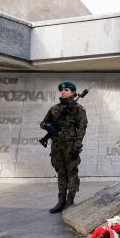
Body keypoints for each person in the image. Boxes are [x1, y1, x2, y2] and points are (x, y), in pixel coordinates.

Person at [40, 81, 88, 213]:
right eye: (62, 90)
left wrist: (77, 147)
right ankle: (61, 200)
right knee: (61, 172)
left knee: (71, 172)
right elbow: (43, 123)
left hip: (70, 146)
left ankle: (70, 200)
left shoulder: (78, 109)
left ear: (73, 92)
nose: (63, 91)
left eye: (67, 90)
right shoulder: (54, 109)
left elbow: (81, 130)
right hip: (56, 147)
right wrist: (47, 126)